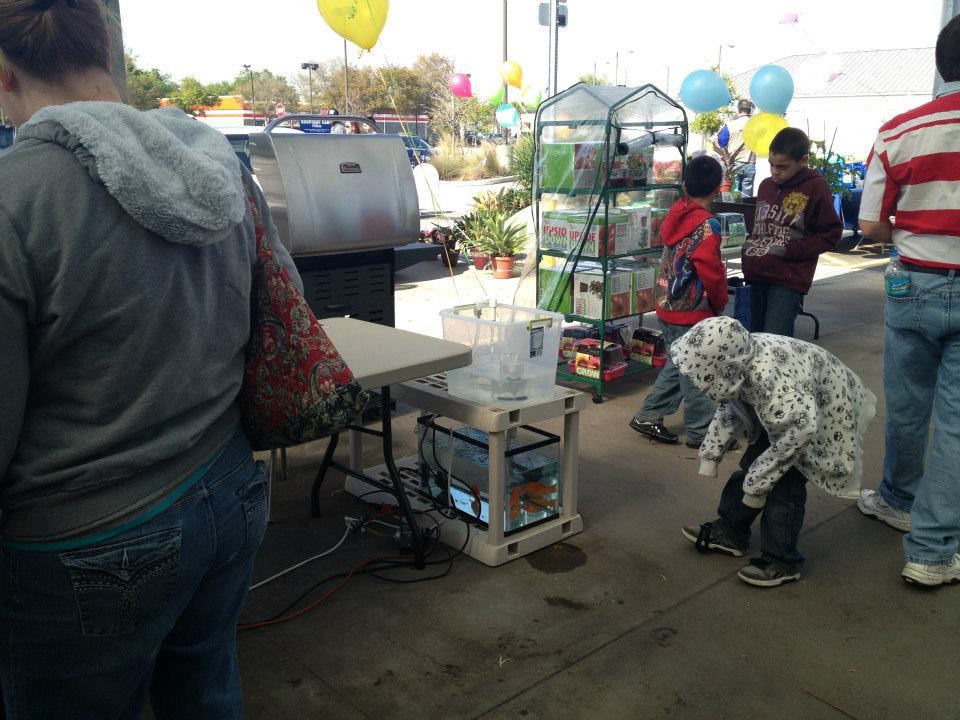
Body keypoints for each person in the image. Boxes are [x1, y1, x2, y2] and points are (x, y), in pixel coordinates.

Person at [0, 0, 299, 715]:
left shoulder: (14, 198)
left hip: (87, 537)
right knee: (205, 693)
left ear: (3, 72)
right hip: (230, 491)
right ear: (105, 47)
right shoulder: (215, 166)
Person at [855, 15, 960, 588]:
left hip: (913, 282)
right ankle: (933, 551)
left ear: (942, 63)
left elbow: (870, 223)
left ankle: (897, 497)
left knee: (909, 404)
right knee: (957, 423)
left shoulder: (899, 131)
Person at [673, 317, 876, 587]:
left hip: (822, 409)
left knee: (784, 485)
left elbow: (801, 429)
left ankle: (782, 559)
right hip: (794, 407)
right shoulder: (739, 357)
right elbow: (729, 406)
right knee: (752, 465)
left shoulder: (769, 381)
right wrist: (711, 454)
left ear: (726, 370)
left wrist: (761, 478)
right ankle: (732, 531)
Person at [629, 155, 729, 448]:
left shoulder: (677, 213)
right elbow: (711, 271)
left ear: (685, 184)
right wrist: (719, 302)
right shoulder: (708, 226)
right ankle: (702, 433)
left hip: (665, 303)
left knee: (679, 362)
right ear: (717, 189)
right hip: (691, 311)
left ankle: (648, 414)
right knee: (697, 371)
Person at [740, 127, 842, 337]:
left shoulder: (815, 186)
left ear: (803, 160)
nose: (775, 171)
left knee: (776, 341)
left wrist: (791, 251)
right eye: (771, 164)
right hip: (758, 272)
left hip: (788, 277)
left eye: (782, 167)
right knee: (755, 338)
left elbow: (830, 234)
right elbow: (760, 226)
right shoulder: (766, 186)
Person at [713, 99, 756, 196]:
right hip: (750, 163)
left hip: (733, 164)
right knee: (747, 197)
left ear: (739, 110)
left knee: (733, 194)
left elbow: (721, 143)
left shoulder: (730, 124)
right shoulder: (756, 125)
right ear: (750, 111)